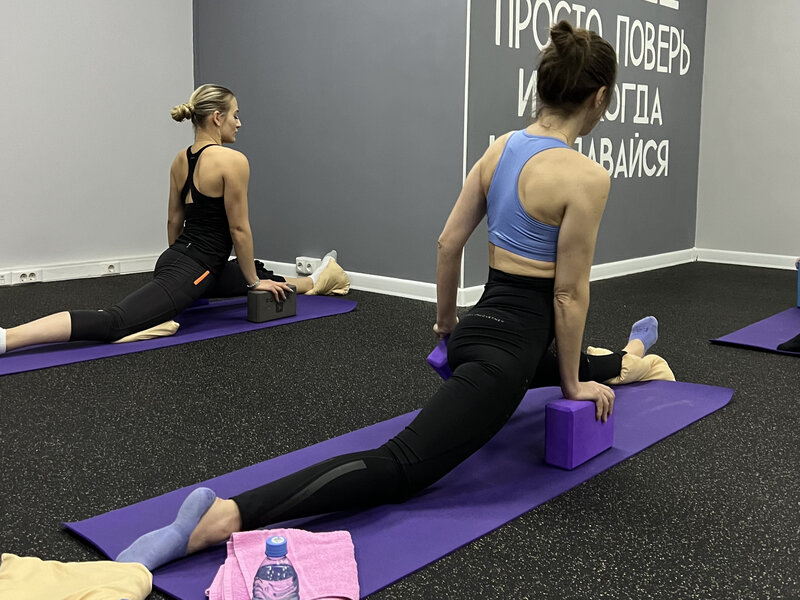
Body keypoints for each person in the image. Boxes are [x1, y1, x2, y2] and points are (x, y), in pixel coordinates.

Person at [115, 21, 621, 571]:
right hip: (508, 354)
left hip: (474, 333)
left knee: (578, 362)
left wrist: (446, 329)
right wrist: (572, 386)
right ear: (598, 98)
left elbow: (448, 244)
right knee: (399, 465)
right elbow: (567, 296)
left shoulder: (502, 148)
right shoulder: (586, 177)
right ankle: (223, 517)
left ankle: (631, 359)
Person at [0, 84, 349, 355]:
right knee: (114, 322)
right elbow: (239, 229)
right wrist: (222, 281)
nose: (239, 123)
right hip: (196, 269)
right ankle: (8, 338)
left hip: (178, 259)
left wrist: (213, 271)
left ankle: (319, 278)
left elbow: (173, 220)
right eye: (236, 115)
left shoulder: (181, 158)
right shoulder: (232, 161)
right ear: (217, 117)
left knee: (258, 275)